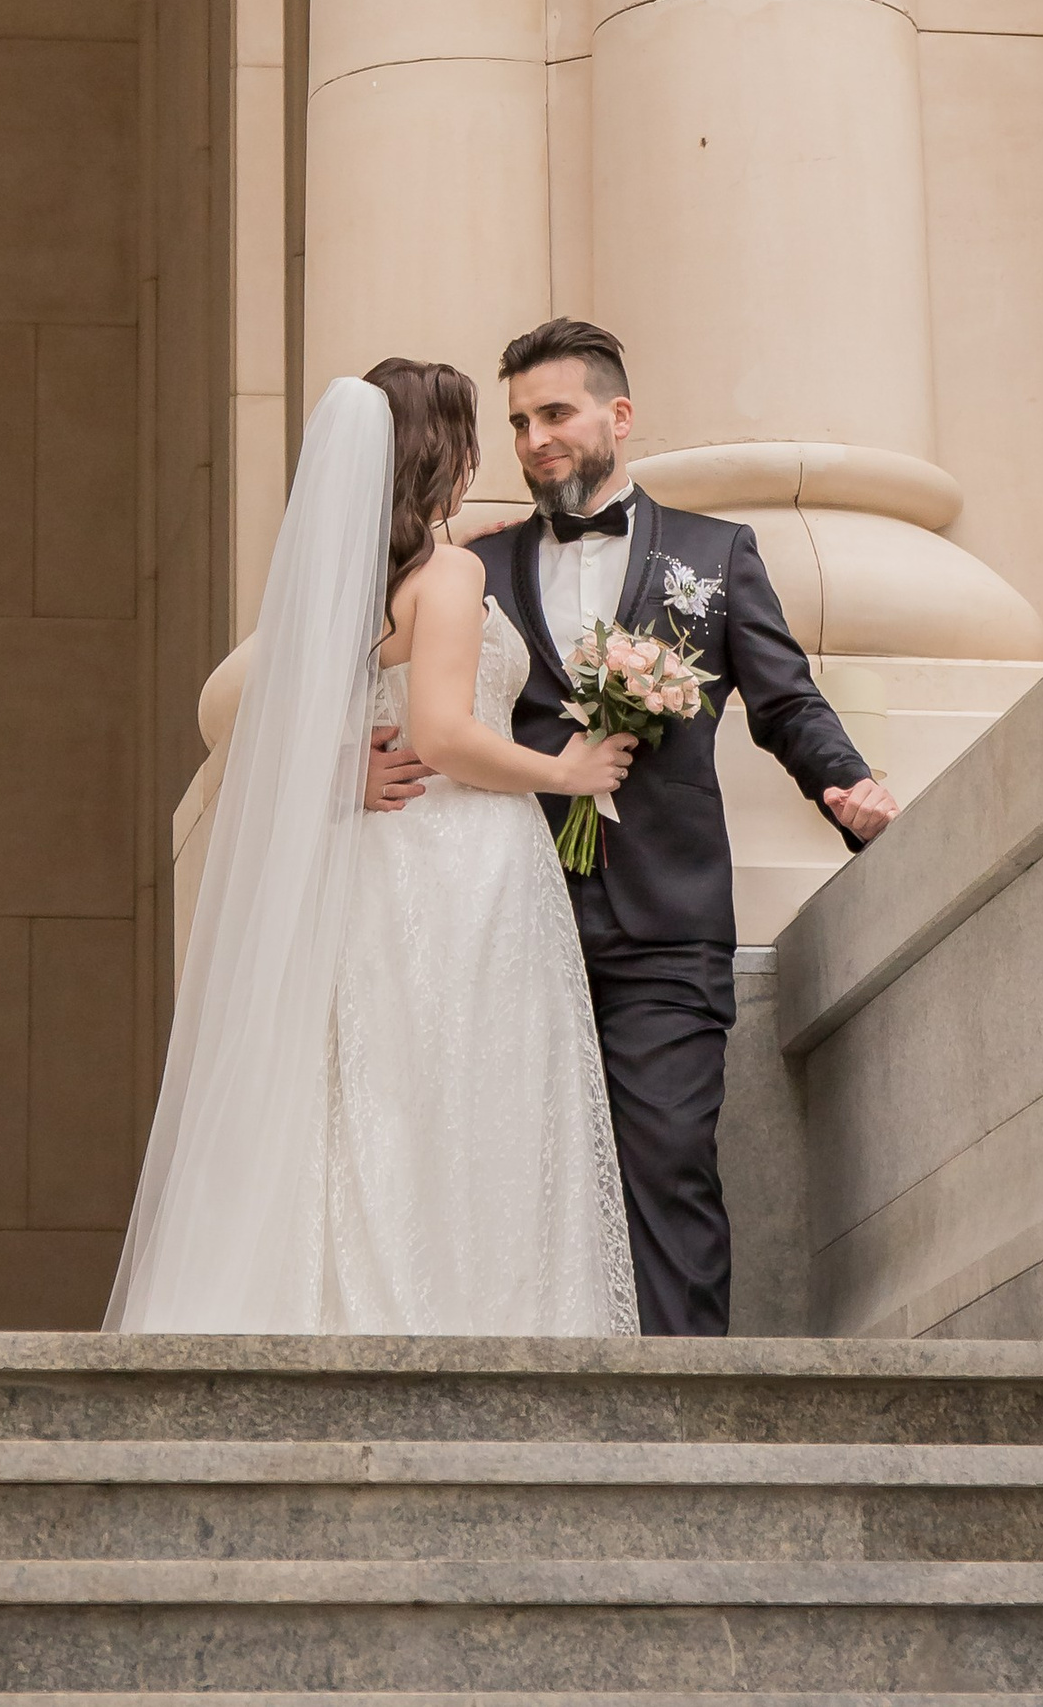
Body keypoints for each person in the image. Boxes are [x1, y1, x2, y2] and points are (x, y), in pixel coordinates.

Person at [371, 318, 897, 1338]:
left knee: (666, 1160)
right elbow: (364, 670)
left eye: (554, 413)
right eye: (518, 420)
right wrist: (351, 764)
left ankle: (684, 1416)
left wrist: (847, 785)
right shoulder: (471, 564)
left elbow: (784, 702)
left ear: (617, 415)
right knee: (520, 1183)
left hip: (665, 921)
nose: (534, 440)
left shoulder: (714, 554)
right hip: (509, 919)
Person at [107, 358, 640, 1334]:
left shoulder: (354, 582)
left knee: (373, 1095)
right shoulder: (446, 575)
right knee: (465, 1092)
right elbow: (439, 732)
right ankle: (468, 1316)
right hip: (457, 861)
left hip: (373, 864)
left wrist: (329, 761)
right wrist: (565, 771)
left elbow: (226, 708)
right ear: (455, 449)